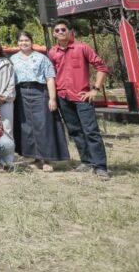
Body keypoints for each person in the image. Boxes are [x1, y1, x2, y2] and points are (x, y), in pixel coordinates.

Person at [48, 19, 111, 179]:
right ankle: (86, 161)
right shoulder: (52, 52)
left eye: (63, 29)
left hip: (82, 97)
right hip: (63, 97)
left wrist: (95, 89)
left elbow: (101, 67)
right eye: (57, 30)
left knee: (91, 131)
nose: (60, 32)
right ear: (54, 34)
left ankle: (100, 166)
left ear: (70, 31)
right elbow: (50, 75)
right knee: (75, 131)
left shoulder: (82, 48)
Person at [10, 30, 68, 172]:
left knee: (44, 125)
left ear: (32, 41)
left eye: (26, 40)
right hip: (21, 93)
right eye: (21, 40)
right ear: (17, 43)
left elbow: (49, 78)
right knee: (27, 127)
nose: (24, 43)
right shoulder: (13, 59)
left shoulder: (42, 58)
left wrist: (52, 98)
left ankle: (48, 159)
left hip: (40, 92)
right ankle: (35, 158)